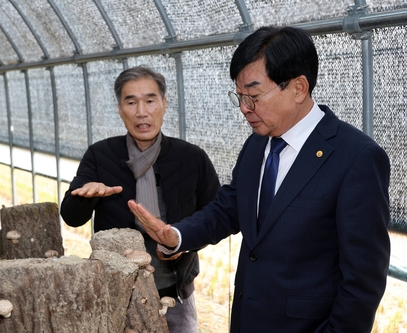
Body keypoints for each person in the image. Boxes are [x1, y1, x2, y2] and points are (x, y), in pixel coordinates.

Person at [128, 26, 391, 333]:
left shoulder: (355, 157)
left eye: (253, 95)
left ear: (298, 88)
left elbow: (364, 278)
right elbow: (232, 205)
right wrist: (178, 236)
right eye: (239, 96)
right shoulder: (258, 143)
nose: (244, 108)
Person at [60, 65, 221, 333]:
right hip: (116, 289)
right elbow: (71, 217)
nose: (141, 111)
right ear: (120, 108)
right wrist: (87, 196)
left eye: (150, 100)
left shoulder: (191, 158)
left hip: (176, 290)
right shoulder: (101, 156)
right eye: (131, 102)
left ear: (164, 103)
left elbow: (216, 216)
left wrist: (185, 241)